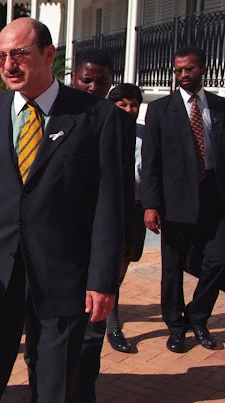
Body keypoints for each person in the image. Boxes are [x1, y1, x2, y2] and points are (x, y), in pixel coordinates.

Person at [0, 18, 124, 402]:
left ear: (49, 54)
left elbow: (109, 204)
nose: (8, 65)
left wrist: (103, 279)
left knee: (57, 385)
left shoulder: (96, 117)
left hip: (62, 276)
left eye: (19, 54)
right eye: (1, 56)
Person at [142, 46, 225, 354]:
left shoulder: (219, 107)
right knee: (172, 267)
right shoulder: (160, 109)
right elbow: (151, 161)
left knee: (218, 259)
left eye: (189, 69)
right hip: (175, 199)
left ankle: (198, 317)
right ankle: (176, 327)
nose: (183, 75)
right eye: (178, 70)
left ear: (203, 69)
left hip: (215, 197)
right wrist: (151, 204)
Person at [70, 48, 137, 402]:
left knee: (93, 326)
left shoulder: (122, 123)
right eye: (87, 79)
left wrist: (127, 239)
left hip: (102, 241)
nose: (94, 87)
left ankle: (84, 392)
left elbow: (126, 185)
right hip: (58, 242)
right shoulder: (53, 116)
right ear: (73, 77)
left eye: (103, 82)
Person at [107, 83, 145, 353]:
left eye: (134, 105)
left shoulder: (146, 134)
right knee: (108, 263)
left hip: (136, 208)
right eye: (123, 105)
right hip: (109, 208)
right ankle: (112, 323)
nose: (129, 110)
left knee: (125, 261)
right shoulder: (104, 133)